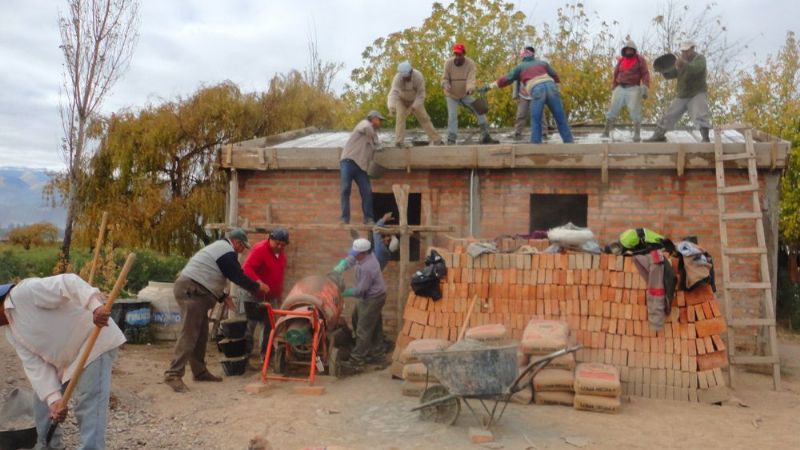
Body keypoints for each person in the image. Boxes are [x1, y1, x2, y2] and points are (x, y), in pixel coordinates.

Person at [1, 275, 125, 449]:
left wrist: (96, 307)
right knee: (43, 401)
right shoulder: (11, 332)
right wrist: (54, 401)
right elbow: (36, 367)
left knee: (88, 403)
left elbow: (68, 282)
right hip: (65, 361)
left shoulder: (24, 292)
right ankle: (49, 446)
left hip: (94, 342)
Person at [164, 228, 269, 393]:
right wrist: (257, 286)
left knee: (201, 334)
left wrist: (222, 296)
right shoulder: (226, 251)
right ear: (236, 242)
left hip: (195, 290)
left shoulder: (220, 250)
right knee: (189, 334)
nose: (242, 250)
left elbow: (209, 276)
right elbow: (237, 276)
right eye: (242, 246)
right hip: (192, 291)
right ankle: (173, 374)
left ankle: (199, 372)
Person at [479, 47, 574, 144]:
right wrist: (557, 88)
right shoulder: (543, 63)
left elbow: (506, 79)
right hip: (551, 87)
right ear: (533, 56)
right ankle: (570, 144)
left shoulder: (520, 67)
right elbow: (554, 75)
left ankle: (536, 146)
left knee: (536, 120)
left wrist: (489, 86)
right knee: (560, 118)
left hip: (537, 89)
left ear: (523, 58)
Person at [237, 228, 289, 359]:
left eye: (283, 245)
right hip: (252, 294)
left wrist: (279, 295)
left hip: (269, 297)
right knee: (249, 324)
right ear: (270, 239)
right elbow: (246, 268)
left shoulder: (281, 255)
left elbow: (279, 276)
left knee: (269, 326)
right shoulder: (260, 249)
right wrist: (259, 283)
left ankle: (266, 355)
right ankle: (244, 355)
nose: (279, 247)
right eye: (277, 243)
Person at [646, 41, 711, 143]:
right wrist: (664, 71)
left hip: (697, 93)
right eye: (683, 51)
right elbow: (671, 75)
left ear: (692, 49)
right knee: (669, 115)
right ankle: (658, 135)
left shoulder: (700, 59)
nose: (685, 53)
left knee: (700, 114)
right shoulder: (680, 61)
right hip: (683, 94)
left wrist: (683, 64)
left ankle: (705, 138)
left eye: (687, 51)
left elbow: (696, 69)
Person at [339, 238, 387, 372]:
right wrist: (341, 265)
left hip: (372, 298)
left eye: (356, 253)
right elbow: (352, 259)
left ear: (364, 253)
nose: (354, 255)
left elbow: (361, 291)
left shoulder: (368, 267)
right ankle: (377, 355)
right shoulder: (365, 256)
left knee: (363, 329)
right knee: (368, 323)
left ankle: (357, 361)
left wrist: (345, 292)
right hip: (370, 296)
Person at [442, 42, 499, 145]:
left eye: (460, 54)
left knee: (479, 109)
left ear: (464, 54)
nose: (457, 57)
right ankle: (451, 139)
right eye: (456, 54)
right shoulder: (448, 63)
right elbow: (444, 79)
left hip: (465, 94)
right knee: (452, 115)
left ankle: (485, 135)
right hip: (451, 95)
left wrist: (470, 89)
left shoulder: (470, 64)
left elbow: (471, 79)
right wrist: (445, 84)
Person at [340, 111, 384, 225]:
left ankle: (368, 218)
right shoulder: (364, 124)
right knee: (345, 189)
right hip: (348, 161)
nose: (380, 122)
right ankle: (344, 218)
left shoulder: (372, 135)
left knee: (367, 191)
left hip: (361, 167)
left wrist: (377, 144)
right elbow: (367, 129)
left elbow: (373, 149)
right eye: (379, 120)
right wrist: (377, 142)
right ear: (373, 119)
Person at [602, 39, 650, 142]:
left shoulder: (640, 60)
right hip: (620, 87)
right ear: (625, 50)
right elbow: (616, 73)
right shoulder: (621, 60)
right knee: (612, 109)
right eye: (627, 49)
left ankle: (637, 134)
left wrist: (645, 86)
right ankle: (606, 131)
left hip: (634, 88)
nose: (629, 51)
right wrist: (614, 85)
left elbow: (645, 73)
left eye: (631, 49)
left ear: (634, 50)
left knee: (635, 112)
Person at [388, 61, 443, 147]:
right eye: (403, 77)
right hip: (401, 100)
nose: (405, 78)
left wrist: (414, 107)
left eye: (407, 76)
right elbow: (393, 93)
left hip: (415, 100)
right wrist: (391, 106)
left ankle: (436, 139)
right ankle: (399, 142)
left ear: (411, 72)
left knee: (424, 118)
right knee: (400, 118)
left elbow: (421, 95)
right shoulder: (397, 78)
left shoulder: (418, 76)